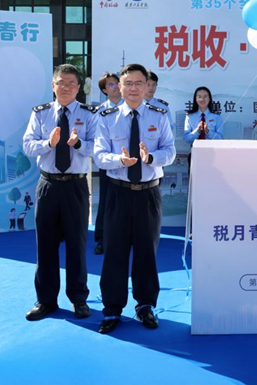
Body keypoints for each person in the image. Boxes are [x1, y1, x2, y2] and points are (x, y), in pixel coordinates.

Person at [94, 63, 176, 334]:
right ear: (119, 86)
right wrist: (119, 160)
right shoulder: (107, 117)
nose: (133, 88)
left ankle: (145, 306)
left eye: (139, 83)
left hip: (148, 193)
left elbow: (170, 151)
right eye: (127, 83)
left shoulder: (159, 116)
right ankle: (112, 309)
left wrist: (150, 158)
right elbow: (99, 156)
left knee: (146, 253)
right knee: (114, 252)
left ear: (147, 86)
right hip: (118, 193)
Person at [22, 63, 98, 322]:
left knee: (77, 243)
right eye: (61, 83)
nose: (66, 87)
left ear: (78, 88)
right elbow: (27, 146)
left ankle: (79, 299)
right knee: (46, 244)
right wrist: (48, 143)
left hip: (76, 186)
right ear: (53, 86)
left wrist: (78, 144)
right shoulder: (41, 113)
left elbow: (97, 148)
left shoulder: (89, 114)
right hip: (48, 185)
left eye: (71, 83)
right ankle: (46, 300)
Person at [93, 72, 124, 255]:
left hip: (129, 162)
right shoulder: (98, 112)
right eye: (111, 85)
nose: (115, 87)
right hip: (108, 162)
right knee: (106, 200)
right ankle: (102, 238)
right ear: (104, 90)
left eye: (117, 83)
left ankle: (127, 238)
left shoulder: (131, 106)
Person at [184, 86, 223, 179]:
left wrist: (208, 131)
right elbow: (187, 138)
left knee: (212, 181)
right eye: (199, 97)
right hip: (195, 154)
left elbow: (220, 138)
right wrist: (197, 131)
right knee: (195, 182)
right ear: (195, 99)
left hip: (213, 155)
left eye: (205, 96)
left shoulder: (216, 116)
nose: (202, 99)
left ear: (209, 98)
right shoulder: (190, 116)